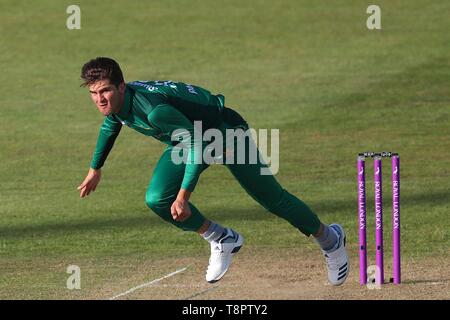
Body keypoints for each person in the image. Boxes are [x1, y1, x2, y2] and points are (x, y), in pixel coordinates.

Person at [77, 57, 349, 285]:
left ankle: (331, 240)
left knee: (271, 198)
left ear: (122, 87)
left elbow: (196, 142)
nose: (100, 99)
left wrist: (183, 195)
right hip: (187, 138)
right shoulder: (117, 105)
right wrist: (95, 169)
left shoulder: (154, 111)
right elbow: (111, 124)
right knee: (157, 198)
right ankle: (221, 237)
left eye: (105, 91)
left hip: (225, 134)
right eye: (94, 93)